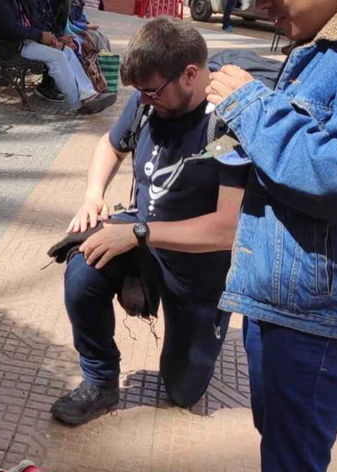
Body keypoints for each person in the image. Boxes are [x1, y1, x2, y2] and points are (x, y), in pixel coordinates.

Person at [206, 0, 337, 470]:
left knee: (293, 458)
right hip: (281, 296)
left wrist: (252, 107)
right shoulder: (329, 34)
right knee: (280, 438)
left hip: (320, 318)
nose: (260, 7)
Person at [50, 17, 248, 425]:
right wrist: (93, 195)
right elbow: (110, 145)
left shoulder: (227, 125)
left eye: (152, 91)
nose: (143, 100)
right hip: (142, 238)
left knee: (182, 392)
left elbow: (227, 228)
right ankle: (100, 380)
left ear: (190, 75)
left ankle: (205, 323)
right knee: (81, 270)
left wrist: (138, 233)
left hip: (198, 268)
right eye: (139, 92)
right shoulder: (147, 102)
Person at [0, 0, 116, 113]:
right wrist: (39, 36)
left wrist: (52, 37)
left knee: (66, 51)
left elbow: (32, 20)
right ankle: (77, 105)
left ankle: (88, 94)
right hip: (12, 47)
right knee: (57, 57)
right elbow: (10, 28)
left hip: (26, 41)